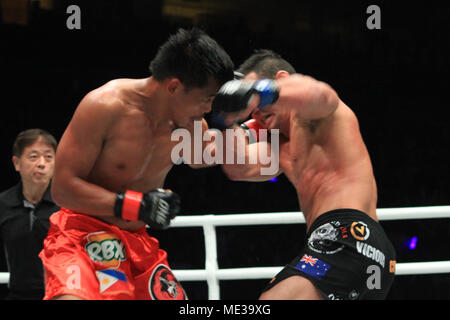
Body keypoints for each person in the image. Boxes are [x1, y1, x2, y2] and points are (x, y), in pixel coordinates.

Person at [39, 28, 235, 300]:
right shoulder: (105, 106)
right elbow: (62, 189)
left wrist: (253, 116)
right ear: (174, 87)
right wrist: (136, 205)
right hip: (80, 236)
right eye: (206, 100)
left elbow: (209, 156)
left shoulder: (190, 126)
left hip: (137, 243)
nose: (208, 110)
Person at [212, 49, 396, 300]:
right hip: (352, 249)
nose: (254, 112)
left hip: (350, 235)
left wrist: (259, 93)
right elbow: (238, 168)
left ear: (283, 80)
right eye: (250, 107)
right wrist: (227, 120)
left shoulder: (317, 116)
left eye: (256, 101)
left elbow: (318, 94)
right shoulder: (281, 146)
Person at [0, 129, 59, 300]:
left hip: (60, 295)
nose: (42, 163)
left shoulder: (68, 206)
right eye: (33, 157)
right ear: (16, 163)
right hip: (17, 295)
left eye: (48, 157)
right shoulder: (3, 204)